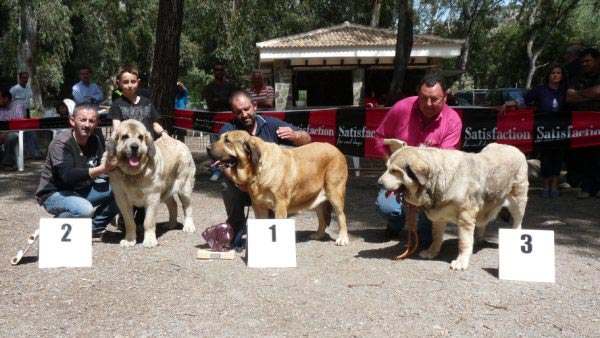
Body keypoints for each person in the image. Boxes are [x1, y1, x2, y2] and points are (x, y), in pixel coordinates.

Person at [374, 72, 462, 245]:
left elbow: (445, 165)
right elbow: (379, 138)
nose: (428, 104)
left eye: (434, 99)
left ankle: (424, 229)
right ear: (418, 94)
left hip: (428, 183)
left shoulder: (453, 121)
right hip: (400, 175)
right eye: (423, 98)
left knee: (425, 241)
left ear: (445, 97)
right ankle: (396, 223)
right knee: (385, 207)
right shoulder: (401, 108)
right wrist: (390, 164)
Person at [218, 90, 311, 242]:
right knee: (226, 184)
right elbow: (223, 165)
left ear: (254, 105)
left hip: (269, 189)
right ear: (233, 113)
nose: (244, 114)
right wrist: (238, 182)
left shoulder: (271, 124)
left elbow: (307, 139)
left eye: (247, 109)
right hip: (243, 187)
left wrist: (297, 136)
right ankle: (236, 225)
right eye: (238, 111)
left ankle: (275, 232)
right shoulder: (228, 132)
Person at [35, 103, 118, 238]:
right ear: (72, 120)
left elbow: (104, 170)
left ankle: (91, 229)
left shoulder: (95, 140)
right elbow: (66, 176)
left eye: (91, 121)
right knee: (84, 209)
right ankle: (51, 230)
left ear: (97, 122)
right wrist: (103, 168)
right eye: (82, 120)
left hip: (82, 190)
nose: (87, 125)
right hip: (54, 193)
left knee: (122, 190)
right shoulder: (61, 142)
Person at [107, 64, 171, 229]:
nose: (130, 85)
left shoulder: (147, 103)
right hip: (127, 152)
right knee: (128, 185)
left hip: (147, 150)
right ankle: (126, 219)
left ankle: (144, 221)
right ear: (119, 83)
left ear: (138, 82)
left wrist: (163, 133)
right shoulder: (117, 104)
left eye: (133, 81)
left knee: (148, 186)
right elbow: (117, 127)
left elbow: (155, 123)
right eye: (125, 82)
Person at [504, 64, 568, 197]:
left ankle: (555, 185)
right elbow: (524, 100)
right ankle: (545, 186)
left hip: (561, 130)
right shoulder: (540, 89)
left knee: (558, 156)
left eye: (558, 73)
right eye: (552, 73)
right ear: (548, 75)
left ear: (562, 76)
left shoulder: (565, 90)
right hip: (543, 130)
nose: (555, 75)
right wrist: (510, 104)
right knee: (545, 157)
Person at [566, 47, 600, 199]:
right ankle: (586, 187)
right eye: (583, 62)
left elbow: (599, 92)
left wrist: (580, 94)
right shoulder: (577, 78)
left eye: (588, 61)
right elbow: (569, 97)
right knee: (585, 156)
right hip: (582, 125)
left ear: (597, 60)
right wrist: (591, 94)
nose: (585, 64)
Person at [203, 62, 237, 180]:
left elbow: (233, 101)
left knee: (230, 143)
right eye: (217, 70)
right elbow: (211, 104)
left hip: (229, 121)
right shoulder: (209, 87)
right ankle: (216, 170)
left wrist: (219, 99)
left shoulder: (231, 86)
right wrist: (224, 100)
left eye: (221, 69)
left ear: (224, 71)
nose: (219, 72)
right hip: (214, 121)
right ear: (213, 71)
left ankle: (231, 167)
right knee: (214, 144)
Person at [10, 71, 42, 159]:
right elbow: (9, 101)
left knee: (31, 133)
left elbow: (30, 101)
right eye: (23, 77)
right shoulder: (14, 89)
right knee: (17, 135)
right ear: (19, 78)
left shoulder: (29, 88)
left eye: (27, 77)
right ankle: (17, 156)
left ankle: (35, 154)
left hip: (27, 113)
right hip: (16, 115)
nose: (25, 79)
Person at [0, 88, 24, 171]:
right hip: (1, 133)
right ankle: (3, 161)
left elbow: (20, 124)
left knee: (12, 136)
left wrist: (5, 133)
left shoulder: (17, 106)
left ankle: (7, 163)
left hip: (13, 132)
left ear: (5, 99)